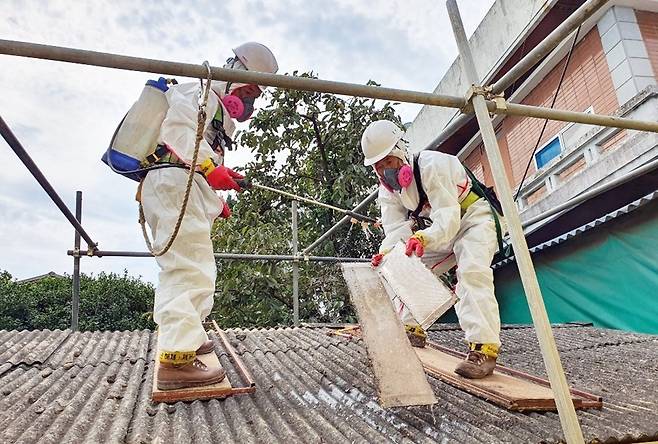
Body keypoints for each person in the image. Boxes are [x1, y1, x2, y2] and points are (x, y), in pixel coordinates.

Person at [140, 42, 278, 390]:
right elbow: (178, 134)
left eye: (255, 95)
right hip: (172, 182)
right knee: (190, 269)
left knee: (190, 264)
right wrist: (206, 167)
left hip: (176, 185)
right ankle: (177, 361)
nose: (249, 102)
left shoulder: (215, 109)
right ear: (233, 77)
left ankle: (185, 336)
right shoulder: (199, 92)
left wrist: (215, 197)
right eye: (248, 92)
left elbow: (200, 159)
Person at [362, 119, 503, 379]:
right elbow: (395, 232)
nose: (385, 171)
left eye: (389, 162)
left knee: (471, 272)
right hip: (442, 229)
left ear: (401, 152)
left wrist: (424, 238)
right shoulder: (389, 192)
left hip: (474, 218)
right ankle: (411, 330)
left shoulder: (432, 165)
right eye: (378, 167)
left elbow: (447, 220)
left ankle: (483, 348)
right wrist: (387, 254)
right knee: (402, 266)